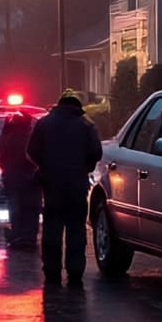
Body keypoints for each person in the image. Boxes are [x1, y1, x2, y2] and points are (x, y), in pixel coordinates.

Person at [27, 92, 102, 285]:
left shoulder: (44, 124)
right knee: (76, 228)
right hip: (77, 185)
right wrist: (85, 167)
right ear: (78, 107)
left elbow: (31, 151)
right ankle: (75, 270)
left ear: (58, 106)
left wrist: (44, 166)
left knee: (52, 227)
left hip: (51, 184)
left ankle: (52, 270)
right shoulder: (86, 125)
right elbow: (96, 152)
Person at [0, 108, 40, 249]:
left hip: (11, 177)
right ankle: (29, 238)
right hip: (30, 177)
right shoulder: (29, 136)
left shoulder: (6, 136)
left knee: (15, 208)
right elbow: (35, 155)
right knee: (31, 209)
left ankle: (17, 237)